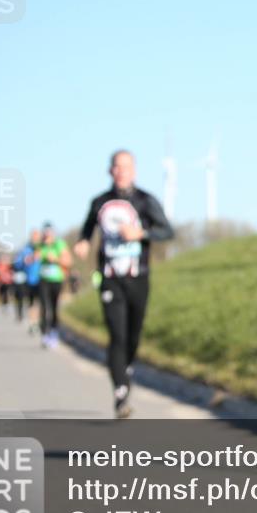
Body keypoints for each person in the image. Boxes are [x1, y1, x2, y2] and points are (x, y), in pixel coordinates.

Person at [74, 150, 174, 418]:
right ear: (110, 171)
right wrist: (83, 242)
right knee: (116, 334)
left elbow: (167, 230)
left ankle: (125, 369)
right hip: (109, 277)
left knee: (133, 335)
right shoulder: (99, 202)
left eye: (126, 167)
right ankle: (120, 392)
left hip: (138, 276)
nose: (121, 171)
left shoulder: (145, 200)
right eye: (117, 167)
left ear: (134, 171)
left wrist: (141, 233)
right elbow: (86, 229)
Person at [36, 223, 72, 349]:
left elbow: (68, 262)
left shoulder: (59, 244)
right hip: (43, 280)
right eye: (45, 233)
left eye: (49, 233)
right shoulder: (40, 245)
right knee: (44, 307)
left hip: (56, 280)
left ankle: (54, 332)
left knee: (54, 307)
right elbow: (32, 258)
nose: (47, 235)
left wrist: (55, 259)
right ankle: (44, 333)